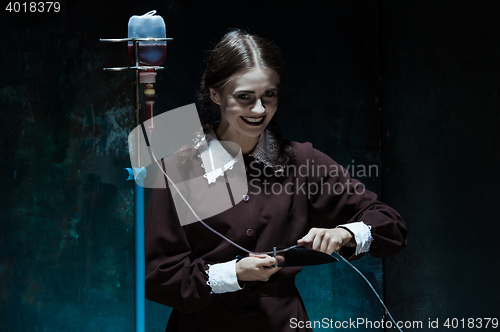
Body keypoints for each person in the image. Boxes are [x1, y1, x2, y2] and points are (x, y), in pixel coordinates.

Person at [144, 29, 407, 332]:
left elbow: (391, 225)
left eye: (269, 95)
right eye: (245, 97)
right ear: (214, 94)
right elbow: (157, 275)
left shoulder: (303, 162)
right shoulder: (177, 170)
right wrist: (233, 273)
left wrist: (344, 234)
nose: (259, 110)